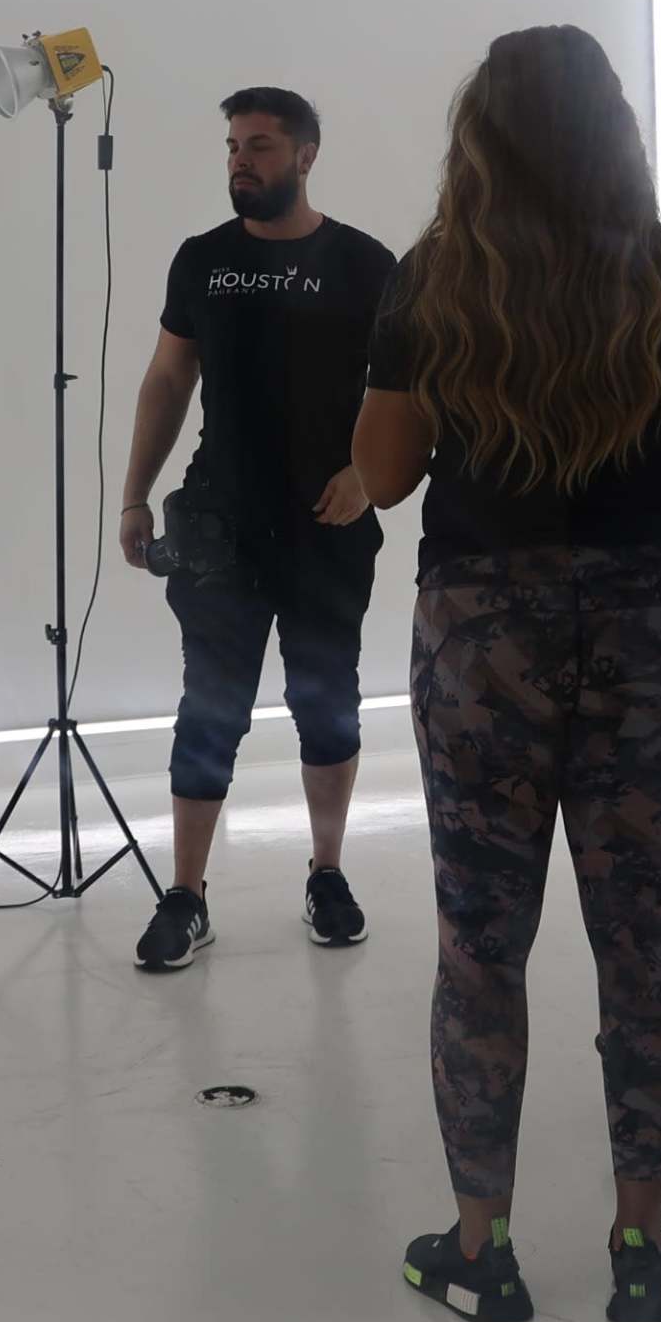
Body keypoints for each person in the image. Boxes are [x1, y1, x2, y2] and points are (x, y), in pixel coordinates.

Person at [351, 26, 661, 1322]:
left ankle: (482, 1243)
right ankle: (641, 1242)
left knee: (482, 940)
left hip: (485, 630)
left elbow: (390, 469)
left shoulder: (432, 282)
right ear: (614, 131)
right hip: (645, 618)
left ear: (482, 139)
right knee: (642, 930)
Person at [117, 86, 395, 970]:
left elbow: (409, 392)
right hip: (219, 530)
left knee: (328, 704)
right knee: (209, 709)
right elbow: (167, 380)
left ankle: (326, 872)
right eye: (234, 144)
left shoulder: (364, 262)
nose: (242, 158)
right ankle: (188, 892)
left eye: (262, 145)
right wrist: (133, 493)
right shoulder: (203, 260)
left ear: (306, 154)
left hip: (328, 525)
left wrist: (369, 476)